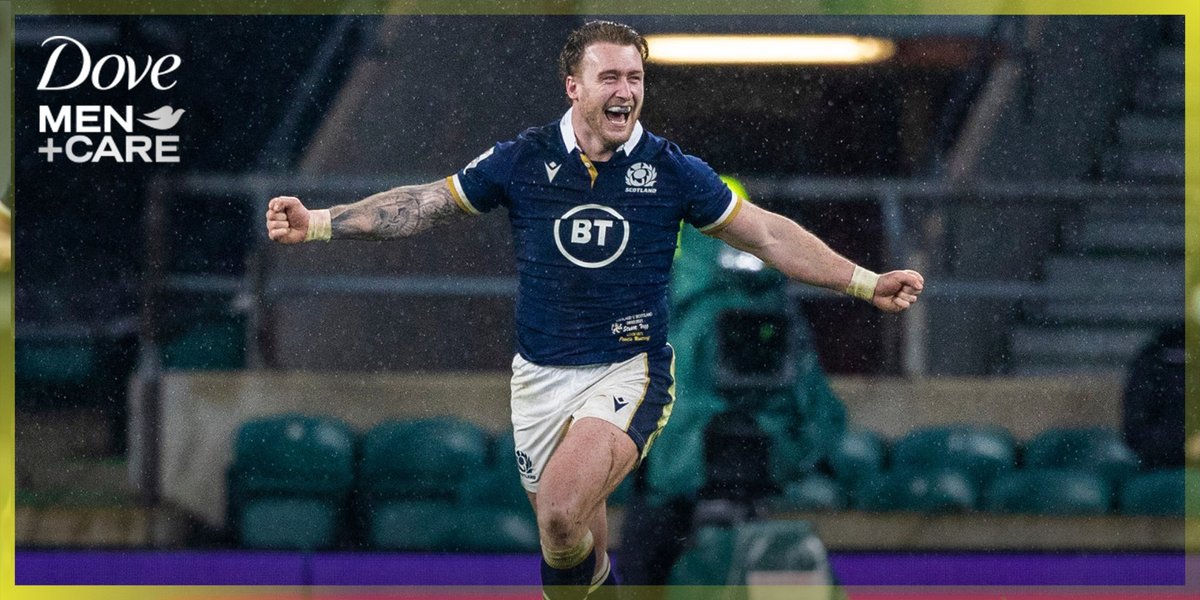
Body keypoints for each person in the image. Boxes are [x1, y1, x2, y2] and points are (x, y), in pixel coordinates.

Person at [266, 20, 923, 599]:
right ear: (573, 86)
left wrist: (865, 282)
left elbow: (770, 234)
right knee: (572, 549)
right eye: (609, 75)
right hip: (540, 379)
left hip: (628, 372)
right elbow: (424, 206)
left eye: (635, 77)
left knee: (558, 511)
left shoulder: (671, 171)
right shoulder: (521, 160)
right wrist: (320, 224)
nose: (626, 90)